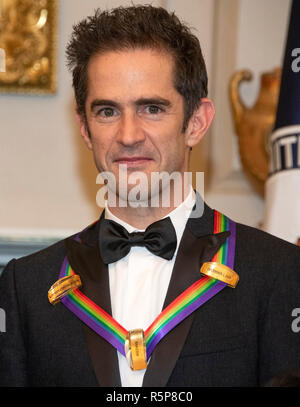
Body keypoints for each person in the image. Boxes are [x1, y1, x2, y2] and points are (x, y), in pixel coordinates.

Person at [1, 5, 300, 388]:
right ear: (84, 127)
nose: (128, 135)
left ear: (196, 122)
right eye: (107, 111)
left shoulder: (279, 272)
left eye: (152, 108)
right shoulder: (26, 287)